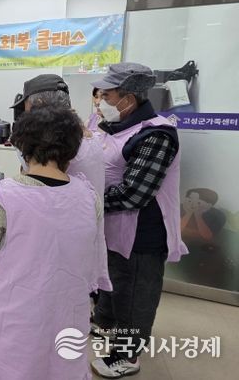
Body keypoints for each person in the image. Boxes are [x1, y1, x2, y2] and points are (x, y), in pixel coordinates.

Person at [0, 107, 103, 380]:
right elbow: (89, 254)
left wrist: (15, 275)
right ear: (72, 150)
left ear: (23, 146)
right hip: (69, 309)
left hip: (17, 313)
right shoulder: (89, 196)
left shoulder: (4, 194)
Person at [90, 63, 188, 379]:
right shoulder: (114, 126)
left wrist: (83, 201)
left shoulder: (157, 134)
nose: (100, 101)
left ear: (128, 99)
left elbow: (134, 193)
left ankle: (127, 356)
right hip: (111, 226)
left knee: (135, 295)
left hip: (142, 234)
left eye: (107, 95)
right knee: (112, 282)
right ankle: (107, 324)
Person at [6, 74, 111, 293]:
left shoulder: (57, 147)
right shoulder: (85, 136)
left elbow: (34, 187)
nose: (26, 112)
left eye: (26, 106)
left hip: (57, 249)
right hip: (80, 243)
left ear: (39, 103)